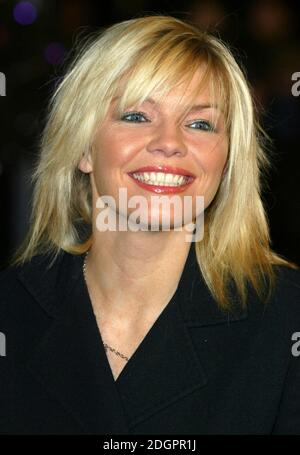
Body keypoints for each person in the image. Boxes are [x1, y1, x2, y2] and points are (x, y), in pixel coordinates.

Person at [0, 14, 300, 435]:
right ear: (83, 147)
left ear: (227, 161)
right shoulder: (12, 311)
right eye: (137, 116)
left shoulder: (286, 319)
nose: (170, 143)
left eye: (200, 123)